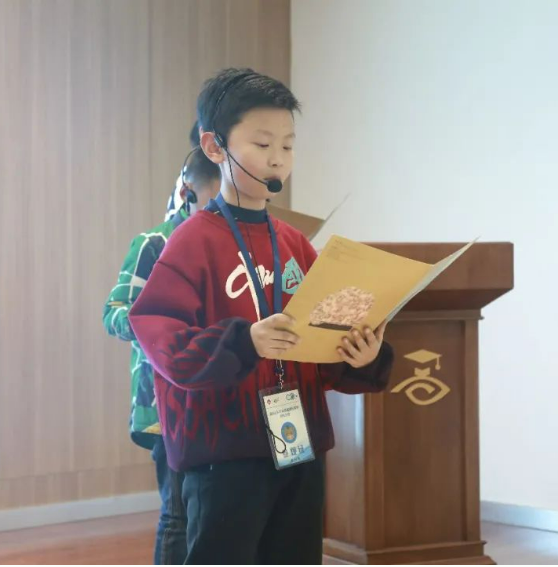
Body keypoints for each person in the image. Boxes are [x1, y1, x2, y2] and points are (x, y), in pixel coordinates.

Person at [128, 68, 395, 564]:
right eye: (263, 143)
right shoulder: (191, 241)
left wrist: (360, 354)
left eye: (288, 146)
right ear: (214, 146)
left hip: (297, 445)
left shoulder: (293, 243)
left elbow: (319, 340)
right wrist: (244, 341)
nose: (278, 159)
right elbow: (163, 340)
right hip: (224, 452)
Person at [102, 123, 220, 564]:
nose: (220, 211)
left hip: (218, 397)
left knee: (213, 514)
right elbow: (113, 313)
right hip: (165, 402)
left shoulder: (230, 246)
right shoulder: (155, 243)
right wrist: (160, 325)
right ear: (188, 192)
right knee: (177, 515)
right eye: (213, 201)